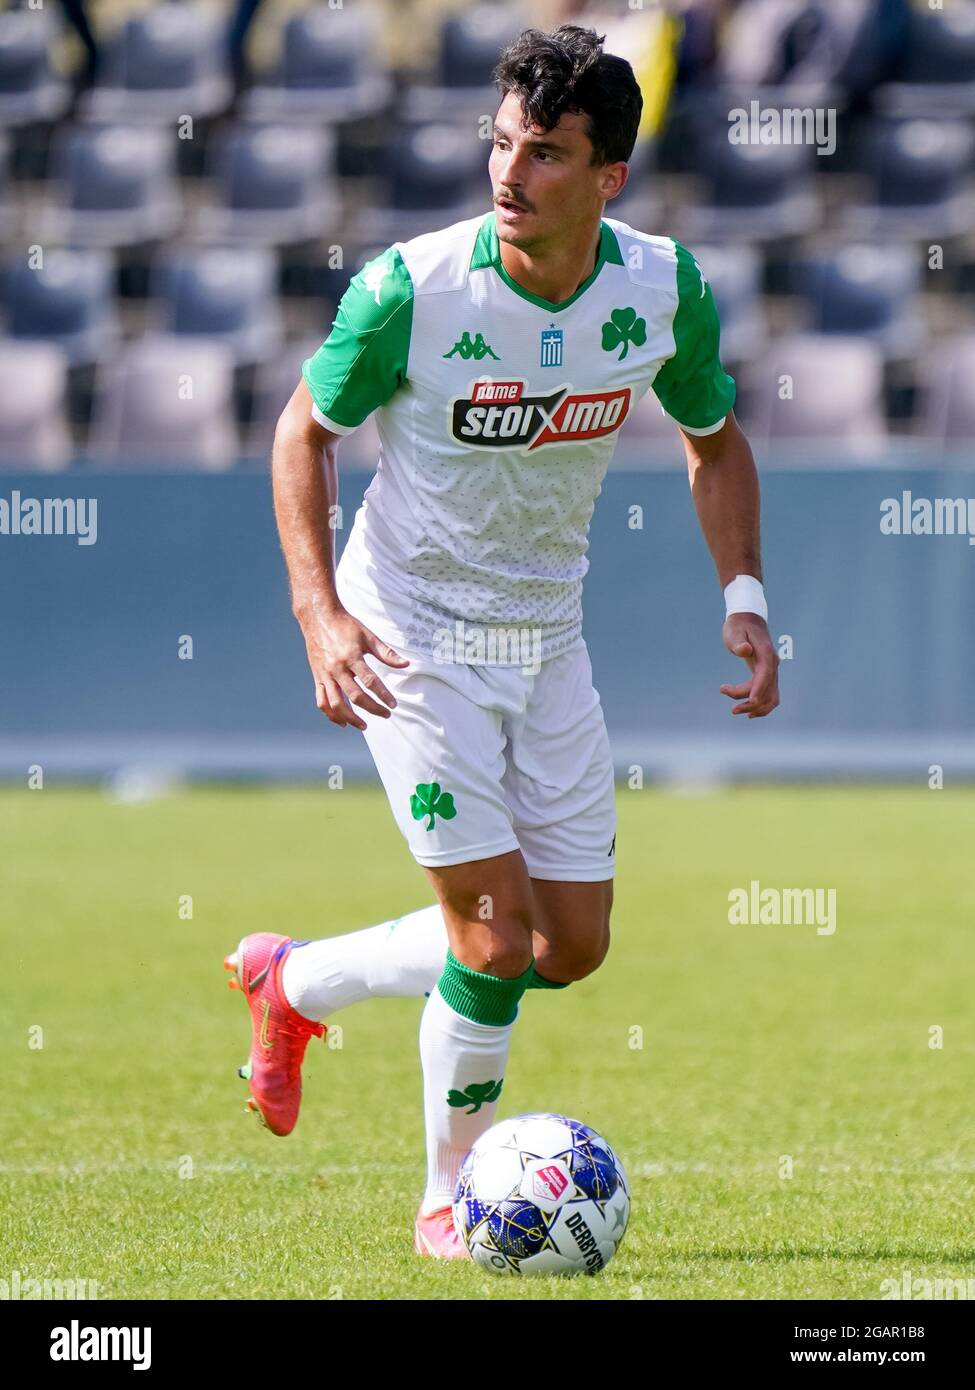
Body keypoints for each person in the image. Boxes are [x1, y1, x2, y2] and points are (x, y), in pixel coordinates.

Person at [224, 23, 779, 1260]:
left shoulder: (661, 291)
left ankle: (294, 982)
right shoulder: (410, 291)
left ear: (608, 178)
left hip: (548, 637)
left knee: (565, 947)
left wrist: (744, 593)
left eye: (546, 153)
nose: (510, 173)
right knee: (488, 936)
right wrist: (321, 616)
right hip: (411, 636)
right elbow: (299, 435)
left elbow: (715, 440)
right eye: (503, 142)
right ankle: (449, 1199)